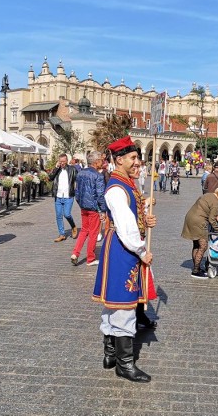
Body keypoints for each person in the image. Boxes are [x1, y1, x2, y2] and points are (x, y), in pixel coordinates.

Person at [92, 136, 157, 383]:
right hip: (123, 249)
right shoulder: (117, 188)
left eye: (137, 157)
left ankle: (110, 355)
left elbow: (134, 217)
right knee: (123, 306)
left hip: (122, 247)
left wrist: (146, 219)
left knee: (114, 306)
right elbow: (126, 227)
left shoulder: (127, 183)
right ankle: (125, 364)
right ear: (119, 160)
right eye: (132, 158)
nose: (136, 161)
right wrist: (142, 251)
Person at [181, 185, 218, 279]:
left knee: (196, 244)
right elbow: (212, 220)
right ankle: (196, 271)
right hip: (199, 222)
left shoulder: (208, 195)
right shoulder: (217, 203)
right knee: (203, 246)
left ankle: (197, 267)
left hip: (190, 218)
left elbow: (205, 209)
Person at [71, 151, 106, 266]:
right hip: (93, 207)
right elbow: (100, 194)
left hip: (83, 207)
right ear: (96, 162)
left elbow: (76, 191)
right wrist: (103, 209)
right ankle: (90, 258)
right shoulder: (98, 175)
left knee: (84, 230)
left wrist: (80, 203)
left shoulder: (81, 173)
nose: (102, 162)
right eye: (101, 160)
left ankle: (75, 253)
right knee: (93, 233)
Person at [49, 153, 78, 242]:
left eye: (64, 161)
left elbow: (78, 179)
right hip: (58, 196)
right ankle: (62, 234)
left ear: (67, 161)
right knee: (58, 216)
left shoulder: (72, 169)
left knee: (67, 214)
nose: (62, 163)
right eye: (60, 161)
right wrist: (56, 168)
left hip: (68, 195)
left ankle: (73, 226)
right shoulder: (57, 170)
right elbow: (50, 178)